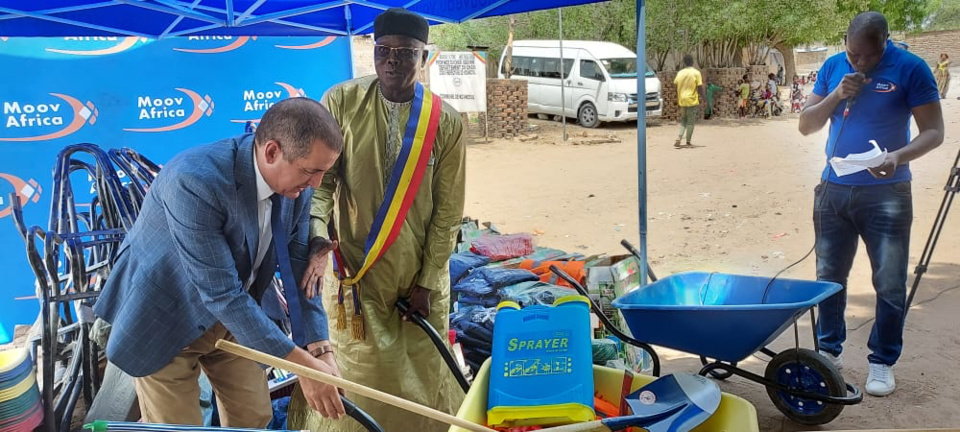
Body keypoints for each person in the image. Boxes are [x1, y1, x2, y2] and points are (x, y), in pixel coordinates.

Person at [93, 98, 347, 425]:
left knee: (253, 418)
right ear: (271, 153)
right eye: (312, 172)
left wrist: (320, 349)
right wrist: (301, 366)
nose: (316, 185)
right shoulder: (194, 181)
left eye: (324, 173)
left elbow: (302, 273)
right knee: (181, 429)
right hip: (167, 315)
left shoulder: (299, 186)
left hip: (237, 316)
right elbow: (222, 294)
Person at [297, 8, 466, 432]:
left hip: (417, 283)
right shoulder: (341, 101)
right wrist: (317, 237)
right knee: (356, 377)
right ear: (373, 54)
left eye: (405, 53)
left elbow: (448, 211)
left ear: (423, 58)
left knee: (421, 381)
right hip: (355, 273)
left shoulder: (445, 121)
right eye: (384, 50)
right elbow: (321, 184)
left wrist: (427, 280)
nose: (392, 60)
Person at [798, 11, 944, 397]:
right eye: (852, 54)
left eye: (868, 56)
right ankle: (829, 351)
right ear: (845, 43)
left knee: (890, 282)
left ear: (885, 43)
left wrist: (899, 156)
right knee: (829, 279)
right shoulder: (832, 67)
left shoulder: (911, 68)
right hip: (834, 190)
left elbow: (934, 132)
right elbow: (806, 125)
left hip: (888, 194)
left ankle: (882, 361)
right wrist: (835, 94)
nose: (859, 63)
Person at [673, 54, 704, 148]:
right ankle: (688, 142)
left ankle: (679, 137)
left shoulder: (680, 73)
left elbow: (675, 84)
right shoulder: (696, 73)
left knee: (683, 120)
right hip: (692, 100)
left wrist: (678, 97)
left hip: (682, 100)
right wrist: (704, 98)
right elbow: (699, 87)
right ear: (692, 62)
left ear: (684, 62)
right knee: (690, 122)